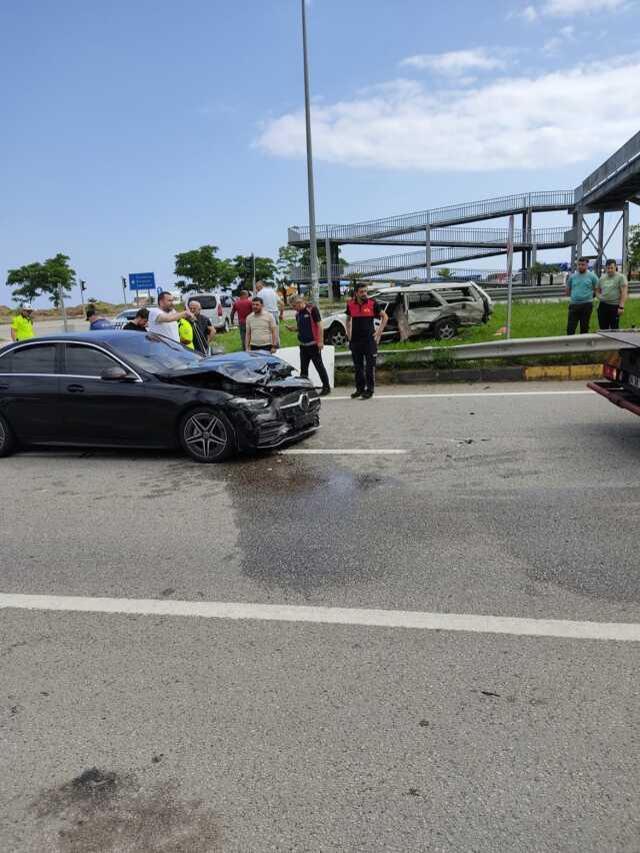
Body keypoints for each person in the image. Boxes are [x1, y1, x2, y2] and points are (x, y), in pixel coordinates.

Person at [345, 282, 388, 399]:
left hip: (369, 341)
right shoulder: (350, 305)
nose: (364, 294)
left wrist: (379, 332)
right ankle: (359, 389)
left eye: (365, 291)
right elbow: (348, 320)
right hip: (355, 341)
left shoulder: (372, 304)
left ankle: (370, 390)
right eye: (362, 292)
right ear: (356, 293)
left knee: (370, 367)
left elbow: (385, 317)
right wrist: (349, 335)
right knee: (358, 367)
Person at [286, 295, 331, 395]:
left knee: (319, 366)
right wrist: (293, 329)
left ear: (299, 302)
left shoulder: (312, 309)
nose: (293, 308)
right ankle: (304, 389)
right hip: (303, 345)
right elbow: (301, 327)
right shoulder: (297, 314)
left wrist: (320, 341)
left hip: (313, 344)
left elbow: (320, 326)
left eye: (294, 306)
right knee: (304, 369)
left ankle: (326, 387)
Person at [565, 257, 598, 335]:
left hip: (587, 305)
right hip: (574, 305)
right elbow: (567, 290)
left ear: (587, 265)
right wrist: (575, 296)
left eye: (583, 265)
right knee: (570, 328)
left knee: (584, 327)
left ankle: (583, 345)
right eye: (579, 264)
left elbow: (598, 288)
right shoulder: (572, 277)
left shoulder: (592, 276)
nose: (580, 266)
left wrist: (591, 295)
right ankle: (570, 344)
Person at [597, 259, 628, 331]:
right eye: (608, 268)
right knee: (603, 328)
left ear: (615, 267)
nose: (610, 270)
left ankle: (614, 342)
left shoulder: (621, 277)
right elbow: (597, 290)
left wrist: (621, 307)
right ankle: (604, 342)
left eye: (612, 268)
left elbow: (624, 292)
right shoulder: (602, 278)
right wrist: (599, 297)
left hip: (614, 306)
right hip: (603, 306)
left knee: (614, 328)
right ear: (605, 268)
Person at [255, 280, 283, 345]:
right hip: (275, 314)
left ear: (260, 286)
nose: (257, 289)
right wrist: (281, 314)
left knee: (267, 333)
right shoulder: (272, 291)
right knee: (276, 331)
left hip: (266, 314)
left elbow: (258, 306)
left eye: (257, 287)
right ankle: (277, 346)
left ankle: (269, 347)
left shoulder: (260, 293)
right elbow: (282, 304)